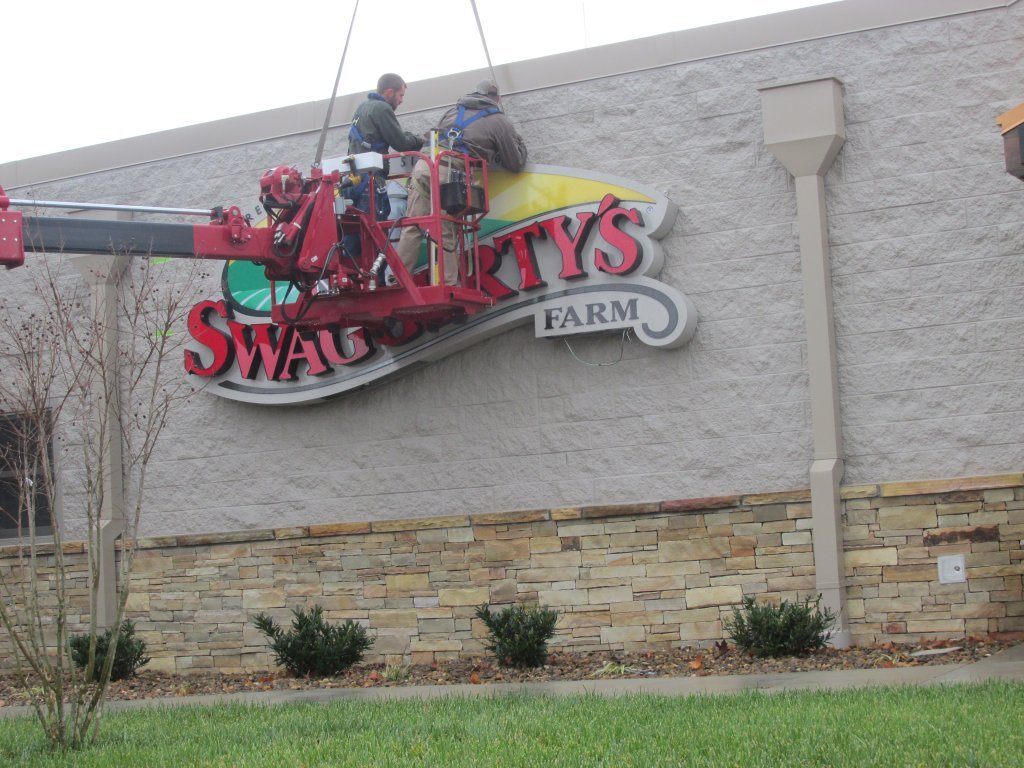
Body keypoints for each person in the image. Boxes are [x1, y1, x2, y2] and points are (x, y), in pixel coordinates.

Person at [395, 80, 528, 286]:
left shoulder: (453, 111)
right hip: (449, 173)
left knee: (413, 226)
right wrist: (518, 141)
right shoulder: (499, 121)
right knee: (445, 230)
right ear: (497, 98)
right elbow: (515, 162)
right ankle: (449, 285)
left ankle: (397, 281)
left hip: (423, 167)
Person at [344, 73, 422, 256]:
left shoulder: (363, 107)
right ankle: (375, 280)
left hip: (352, 180)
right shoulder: (382, 109)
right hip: (370, 182)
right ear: (389, 92)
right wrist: (418, 139)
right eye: (400, 95)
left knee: (354, 235)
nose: (401, 100)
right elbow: (401, 143)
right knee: (375, 236)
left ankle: (355, 277)